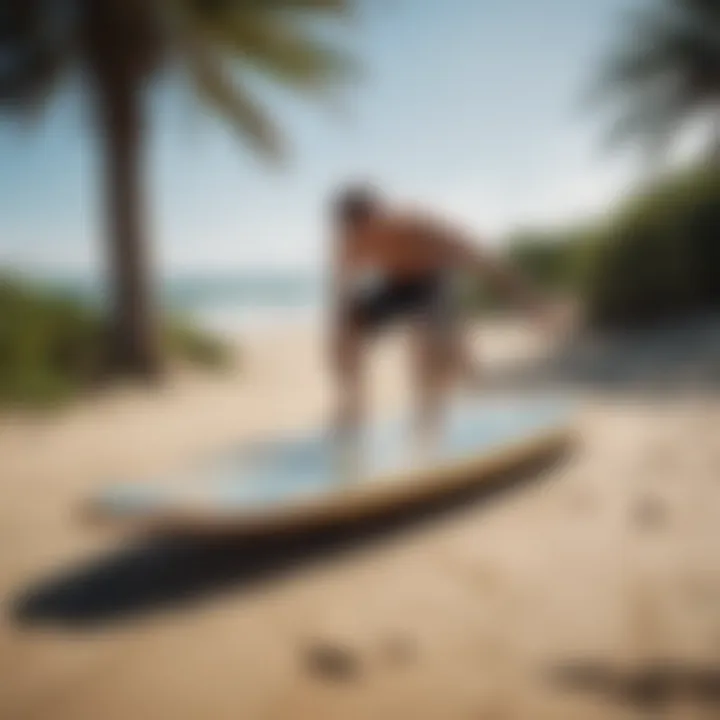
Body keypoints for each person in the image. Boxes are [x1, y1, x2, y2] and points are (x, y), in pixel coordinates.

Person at [328, 182, 560, 466]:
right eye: (356, 232)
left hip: (434, 284)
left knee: (432, 352)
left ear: (381, 214)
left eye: (370, 228)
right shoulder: (349, 243)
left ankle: (434, 420)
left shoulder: (418, 226)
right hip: (395, 287)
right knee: (345, 328)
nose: (366, 238)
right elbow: (342, 293)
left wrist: (529, 301)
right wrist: (346, 339)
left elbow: (483, 260)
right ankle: (354, 408)